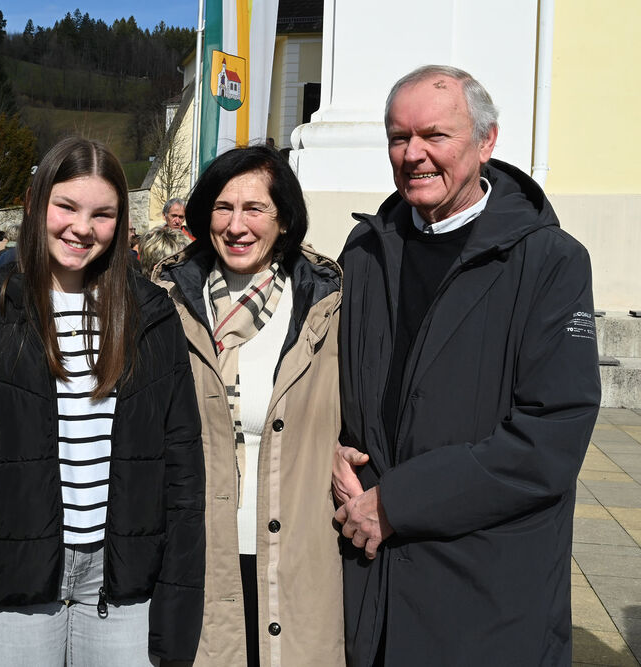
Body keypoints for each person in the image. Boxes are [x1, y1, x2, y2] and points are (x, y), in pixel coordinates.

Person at [334, 65, 600, 666]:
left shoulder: (549, 261)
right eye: (399, 138)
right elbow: (328, 383)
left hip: (484, 594)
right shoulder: (367, 252)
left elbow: (549, 439)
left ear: (486, 142)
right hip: (372, 587)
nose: (414, 154)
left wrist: (397, 503)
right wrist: (322, 447)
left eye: (435, 135)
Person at [0, 137, 205, 666]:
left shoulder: (151, 318)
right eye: (67, 206)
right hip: (15, 579)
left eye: (102, 214)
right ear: (34, 204)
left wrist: (179, 608)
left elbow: (182, 476)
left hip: (123, 581)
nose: (82, 228)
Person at [154, 145, 344, 665]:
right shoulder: (166, 302)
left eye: (254, 208)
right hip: (195, 555)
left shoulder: (325, 306)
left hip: (296, 559)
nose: (236, 225)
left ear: (284, 220)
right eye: (223, 207)